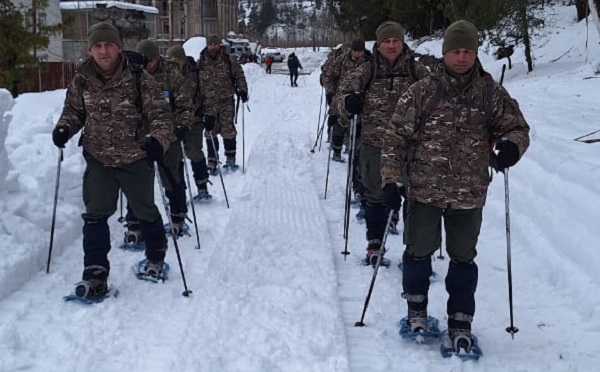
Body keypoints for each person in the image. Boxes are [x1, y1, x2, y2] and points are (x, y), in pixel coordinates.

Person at [380, 20, 530, 352]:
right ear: (445, 52)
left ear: (475, 53)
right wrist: (391, 179)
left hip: (469, 194)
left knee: (463, 259)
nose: (461, 57)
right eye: (455, 51)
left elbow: (518, 127)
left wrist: (511, 147)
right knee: (418, 253)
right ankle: (416, 309)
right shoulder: (422, 91)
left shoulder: (490, 93)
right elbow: (395, 138)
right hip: (423, 191)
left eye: (468, 51)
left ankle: (460, 320)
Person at [51, 22, 173, 299]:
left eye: (108, 45)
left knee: (145, 211)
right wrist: (64, 128)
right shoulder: (82, 79)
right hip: (98, 159)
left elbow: (161, 116)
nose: (103, 51)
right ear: (91, 49)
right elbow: (73, 111)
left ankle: (155, 256)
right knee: (95, 215)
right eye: (98, 46)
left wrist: (158, 139)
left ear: (118, 47)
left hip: (135, 158)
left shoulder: (141, 78)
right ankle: (95, 274)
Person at [334, 21, 429, 265]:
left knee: (414, 197)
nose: (391, 45)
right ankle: (375, 244)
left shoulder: (417, 71)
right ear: (378, 44)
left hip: (412, 145)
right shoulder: (366, 71)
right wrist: (348, 103)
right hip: (375, 143)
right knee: (375, 196)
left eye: (395, 41)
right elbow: (341, 97)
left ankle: (415, 250)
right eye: (386, 41)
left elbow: (439, 93)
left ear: (402, 42)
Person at [131, 40, 197, 237]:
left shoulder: (172, 73)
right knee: (137, 181)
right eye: (144, 62)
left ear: (157, 59)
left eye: (150, 61)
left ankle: (178, 216)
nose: (147, 66)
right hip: (141, 137)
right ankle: (134, 222)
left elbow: (186, 104)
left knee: (171, 177)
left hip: (169, 136)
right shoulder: (133, 73)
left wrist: (183, 125)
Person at [166, 45, 212, 200]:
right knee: (176, 159)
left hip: (195, 119)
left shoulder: (196, 73)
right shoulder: (167, 74)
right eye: (171, 61)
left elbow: (206, 93)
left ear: (184, 59)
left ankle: (202, 185)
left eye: (177, 60)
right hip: (174, 124)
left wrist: (207, 113)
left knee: (194, 152)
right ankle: (181, 195)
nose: (175, 63)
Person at [198, 34, 249, 173]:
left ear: (219, 45)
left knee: (228, 130)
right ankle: (212, 160)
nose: (213, 47)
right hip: (208, 103)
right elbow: (195, 83)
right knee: (210, 132)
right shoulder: (201, 62)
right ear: (207, 46)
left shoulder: (228, 60)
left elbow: (239, 75)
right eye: (210, 45)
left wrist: (243, 90)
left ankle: (230, 157)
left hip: (226, 101)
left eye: (215, 44)